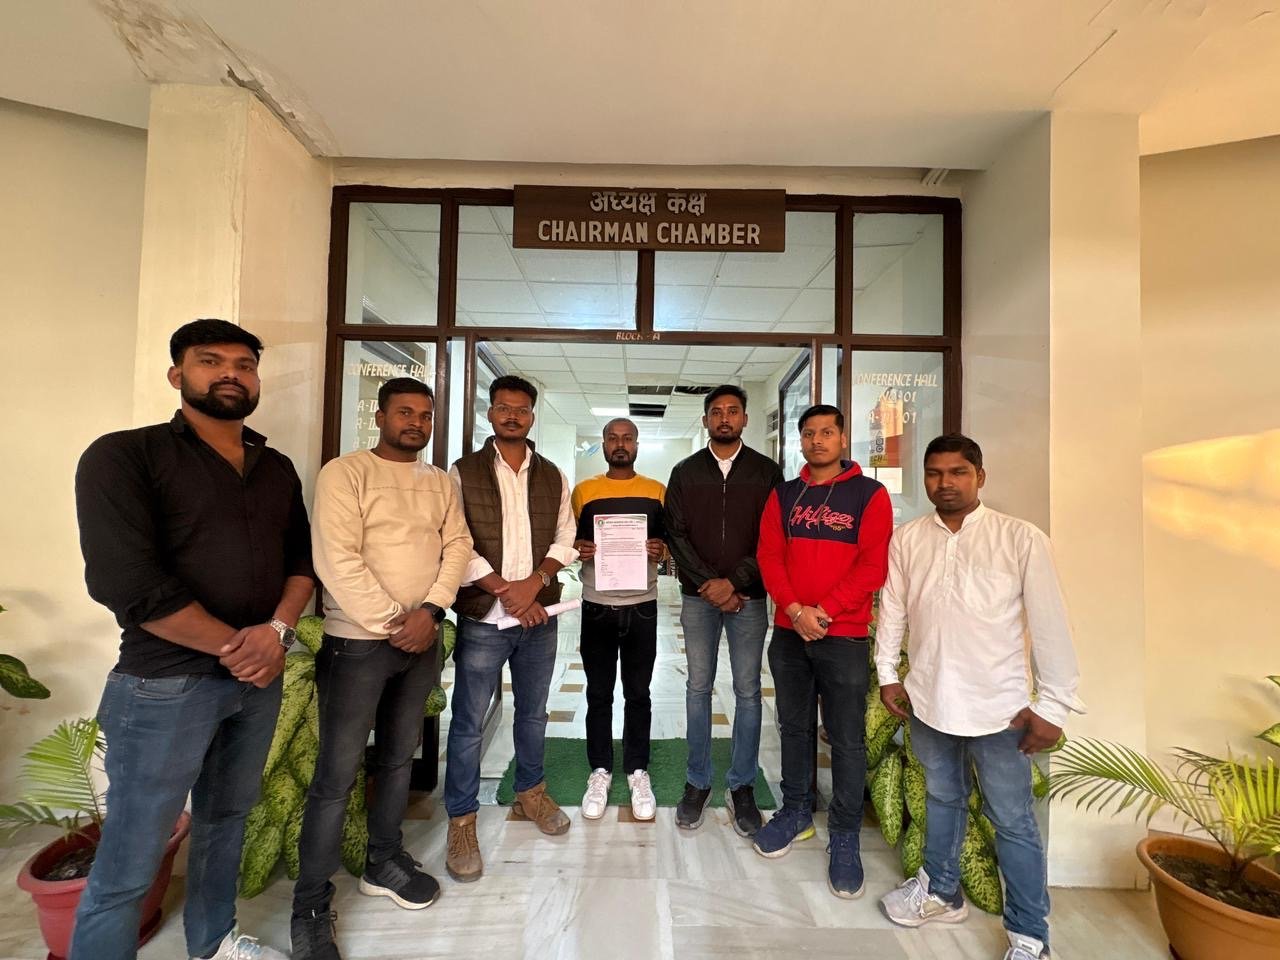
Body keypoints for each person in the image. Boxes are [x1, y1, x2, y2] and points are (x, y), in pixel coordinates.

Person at [71, 319, 314, 960]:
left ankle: (212, 943)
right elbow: (128, 584)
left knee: (226, 821)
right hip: (164, 684)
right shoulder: (124, 456)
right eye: (211, 361)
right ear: (177, 375)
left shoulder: (275, 468)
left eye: (245, 364)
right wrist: (244, 647)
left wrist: (277, 634)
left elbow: (301, 564)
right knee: (133, 852)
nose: (231, 373)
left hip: (256, 681)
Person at [876, 434, 1085, 960]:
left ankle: (1029, 935)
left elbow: (1051, 625)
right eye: (934, 473)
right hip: (929, 700)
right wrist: (887, 673)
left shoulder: (1020, 539)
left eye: (958, 472)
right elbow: (894, 608)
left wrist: (1053, 706)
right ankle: (943, 893)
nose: (945, 483)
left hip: (1000, 709)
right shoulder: (908, 538)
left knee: (1012, 821)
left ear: (980, 477)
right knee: (942, 799)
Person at [291, 378, 472, 960]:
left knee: (398, 760)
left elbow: (457, 546)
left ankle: (383, 861)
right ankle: (310, 905)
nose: (416, 423)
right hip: (357, 644)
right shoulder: (345, 473)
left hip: (421, 639)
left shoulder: (439, 481)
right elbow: (335, 558)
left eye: (425, 415)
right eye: (404, 412)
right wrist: (398, 621)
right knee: (336, 775)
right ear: (381, 416)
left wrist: (432, 611)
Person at [443, 375, 579, 882]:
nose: (513, 416)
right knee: (468, 721)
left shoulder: (552, 474)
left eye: (521, 409)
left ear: (531, 416)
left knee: (534, 714)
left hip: (539, 616)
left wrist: (535, 583)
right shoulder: (462, 472)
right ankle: (461, 819)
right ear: (491, 413)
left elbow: (566, 536)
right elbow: (455, 539)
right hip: (485, 616)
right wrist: (505, 589)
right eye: (504, 407)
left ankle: (530, 792)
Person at [754, 404, 892, 897]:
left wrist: (824, 612)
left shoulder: (869, 495)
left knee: (847, 738)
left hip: (845, 635)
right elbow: (769, 556)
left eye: (827, 432)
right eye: (809, 433)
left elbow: (873, 566)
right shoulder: (784, 495)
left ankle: (845, 834)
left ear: (842, 438)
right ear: (801, 441)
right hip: (790, 633)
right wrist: (795, 611)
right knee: (793, 727)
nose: (817, 440)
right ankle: (796, 811)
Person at [664, 383, 783, 836]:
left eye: (733, 411)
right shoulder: (685, 471)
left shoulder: (767, 472)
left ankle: (742, 786)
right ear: (706, 420)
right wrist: (711, 586)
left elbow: (772, 537)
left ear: (745, 419)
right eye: (717, 412)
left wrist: (735, 582)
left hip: (748, 598)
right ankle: (697, 782)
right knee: (698, 687)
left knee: (748, 691)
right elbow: (676, 534)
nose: (725, 418)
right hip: (699, 599)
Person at [570, 418, 667, 821]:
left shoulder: (657, 491)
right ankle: (600, 770)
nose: (620, 444)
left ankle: (637, 770)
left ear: (637, 445)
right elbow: (570, 541)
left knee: (639, 693)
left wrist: (661, 550)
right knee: (598, 693)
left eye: (628, 438)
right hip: (597, 605)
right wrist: (579, 548)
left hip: (643, 606)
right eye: (613, 438)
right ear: (604, 444)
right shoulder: (584, 491)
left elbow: (668, 546)